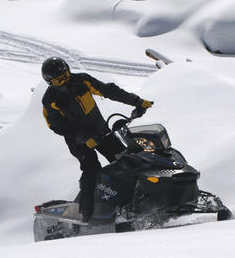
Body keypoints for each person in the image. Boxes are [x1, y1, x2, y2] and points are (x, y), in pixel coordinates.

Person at [41, 57, 153, 222]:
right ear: (50, 82)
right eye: (59, 80)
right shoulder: (49, 100)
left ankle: (135, 201)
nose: (65, 81)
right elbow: (55, 125)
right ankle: (87, 215)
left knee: (125, 160)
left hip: (100, 131)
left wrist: (136, 101)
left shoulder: (82, 81)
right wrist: (82, 137)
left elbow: (108, 91)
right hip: (78, 141)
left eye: (66, 75)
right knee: (91, 169)